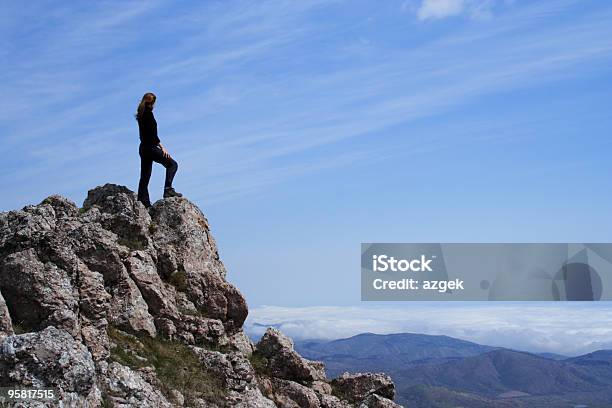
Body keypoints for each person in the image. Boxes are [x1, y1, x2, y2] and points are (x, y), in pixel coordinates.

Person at [135, 92, 182, 208]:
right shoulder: (148, 115)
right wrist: (161, 147)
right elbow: (152, 135)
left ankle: (143, 202)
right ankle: (168, 189)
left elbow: (147, 135)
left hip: (143, 148)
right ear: (152, 103)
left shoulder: (140, 114)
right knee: (172, 164)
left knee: (145, 176)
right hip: (151, 147)